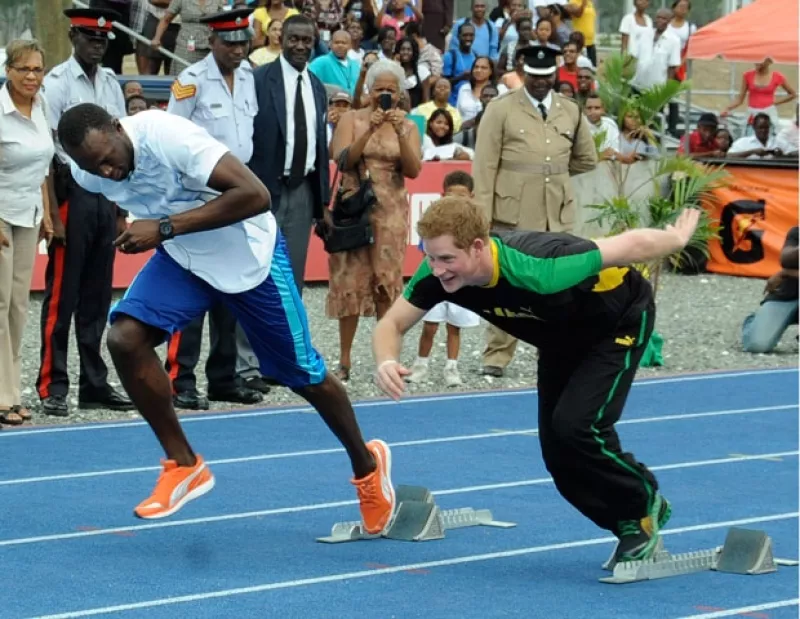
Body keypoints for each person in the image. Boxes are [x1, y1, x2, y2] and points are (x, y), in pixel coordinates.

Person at [56, 102, 395, 532]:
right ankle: (184, 464)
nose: (105, 171)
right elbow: (126, 194)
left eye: (108, 158)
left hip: (249, 258)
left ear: (118, 128)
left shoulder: (168, 137)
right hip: (186, 259)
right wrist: (150, 229)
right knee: (124, 339)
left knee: (303, 375)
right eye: (93, 166)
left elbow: (256, 196)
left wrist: (162, 227)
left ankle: (368, 466)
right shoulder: (89, 170)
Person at [373, 197, 703, 563]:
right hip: (560, 340)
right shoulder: (437, 274)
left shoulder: (539, 266)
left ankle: (642, 505)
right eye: (430, 256)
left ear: (478, 247)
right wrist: (386, 360)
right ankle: (627, 519)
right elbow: (392, 323)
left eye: (447, 259)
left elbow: (627, 245)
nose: (437, 269)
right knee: (558, 456)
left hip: (617, 322)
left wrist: (675, 239)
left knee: (577, 427)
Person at [474, 45, 597, 378]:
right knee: (508, 281)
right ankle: (497, 355)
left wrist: (553, 174)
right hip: (512, 211)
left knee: (561, 283)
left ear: (554, 74)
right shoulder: (500, 110)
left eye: (546, 76)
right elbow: (484, 166)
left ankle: (557, 348)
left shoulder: (569, 110)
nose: (541, 82)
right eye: (534, 76)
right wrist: (482, 217)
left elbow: (587, 157)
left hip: (556, 210)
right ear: (522, 72)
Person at [164, 8, 265, 409]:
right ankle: (180, 379)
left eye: (243, 42)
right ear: (212, 42)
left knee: (231, 287)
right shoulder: (191, 82)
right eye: (230, 43)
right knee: (192, 288)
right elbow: (172, 138)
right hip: (198, 196)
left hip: (236, 196)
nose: (238, 49)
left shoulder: (249, 79)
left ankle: (223, 377)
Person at [38, 8, 133, 417]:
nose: (97, 45)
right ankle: (52, 384)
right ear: (74, 36)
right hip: (72, 190)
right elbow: (50, 146)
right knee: (63, 294)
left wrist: (121, 208)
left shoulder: (110, 82)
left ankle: (94, 382)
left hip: (107, 191)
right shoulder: (57, 83)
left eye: (102, 40)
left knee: (97, 295)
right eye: (90, 38)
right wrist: (53, 215)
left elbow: (122, 139)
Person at [406, 171, 480, 388]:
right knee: (429, 326)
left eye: (462, 196)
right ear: (442, 195)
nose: (456, 201)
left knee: (454, 328)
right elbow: (425, 251)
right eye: (451, 195)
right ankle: (420, 365)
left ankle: (451, 368)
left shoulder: (475, 224)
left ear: (471, 196)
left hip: (462, 283)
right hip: (438, 281)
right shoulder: (434, 223)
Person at [741, 226, 798, 354]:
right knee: (757, 345)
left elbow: (786, 269)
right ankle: (755, 322)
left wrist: (786, 274)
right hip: (787, 295)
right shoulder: (796, 232)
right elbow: (785, 260)